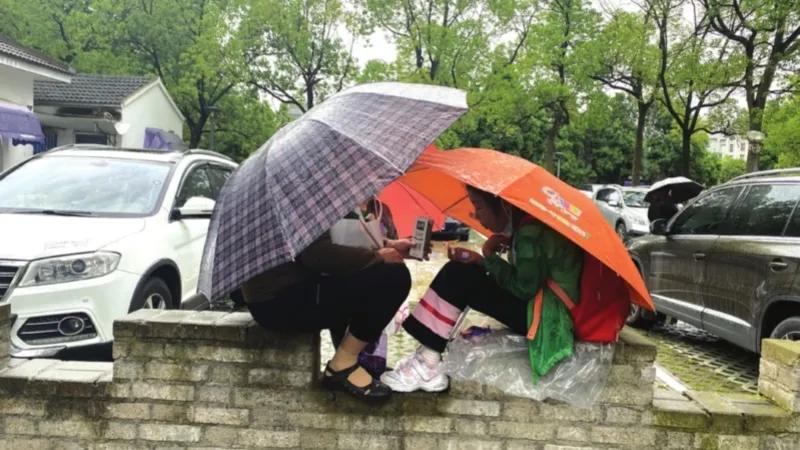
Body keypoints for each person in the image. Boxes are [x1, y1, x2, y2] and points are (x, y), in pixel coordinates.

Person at [380, 186, 583, 392]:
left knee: (459, 275)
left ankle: (428, 363)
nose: (476, 215)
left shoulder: (529, 235)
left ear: (503, 206)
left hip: (548, 319)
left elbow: (524, 289)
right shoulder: (526, 229)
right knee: (463, 272)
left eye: (479, 207)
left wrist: (488, 257)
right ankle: (428, 355)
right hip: (542, 309)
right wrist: (480, 261)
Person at [240, 221, 416, 401]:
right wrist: (378, 257)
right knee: (393, 277)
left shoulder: (289, 201)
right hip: (280, 300)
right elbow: (317, 255)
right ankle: (343, 364)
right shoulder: (301, 198)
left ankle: (353, 359)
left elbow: (333, 239)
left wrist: (388, 245)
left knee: (359, 273)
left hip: (275, 297)